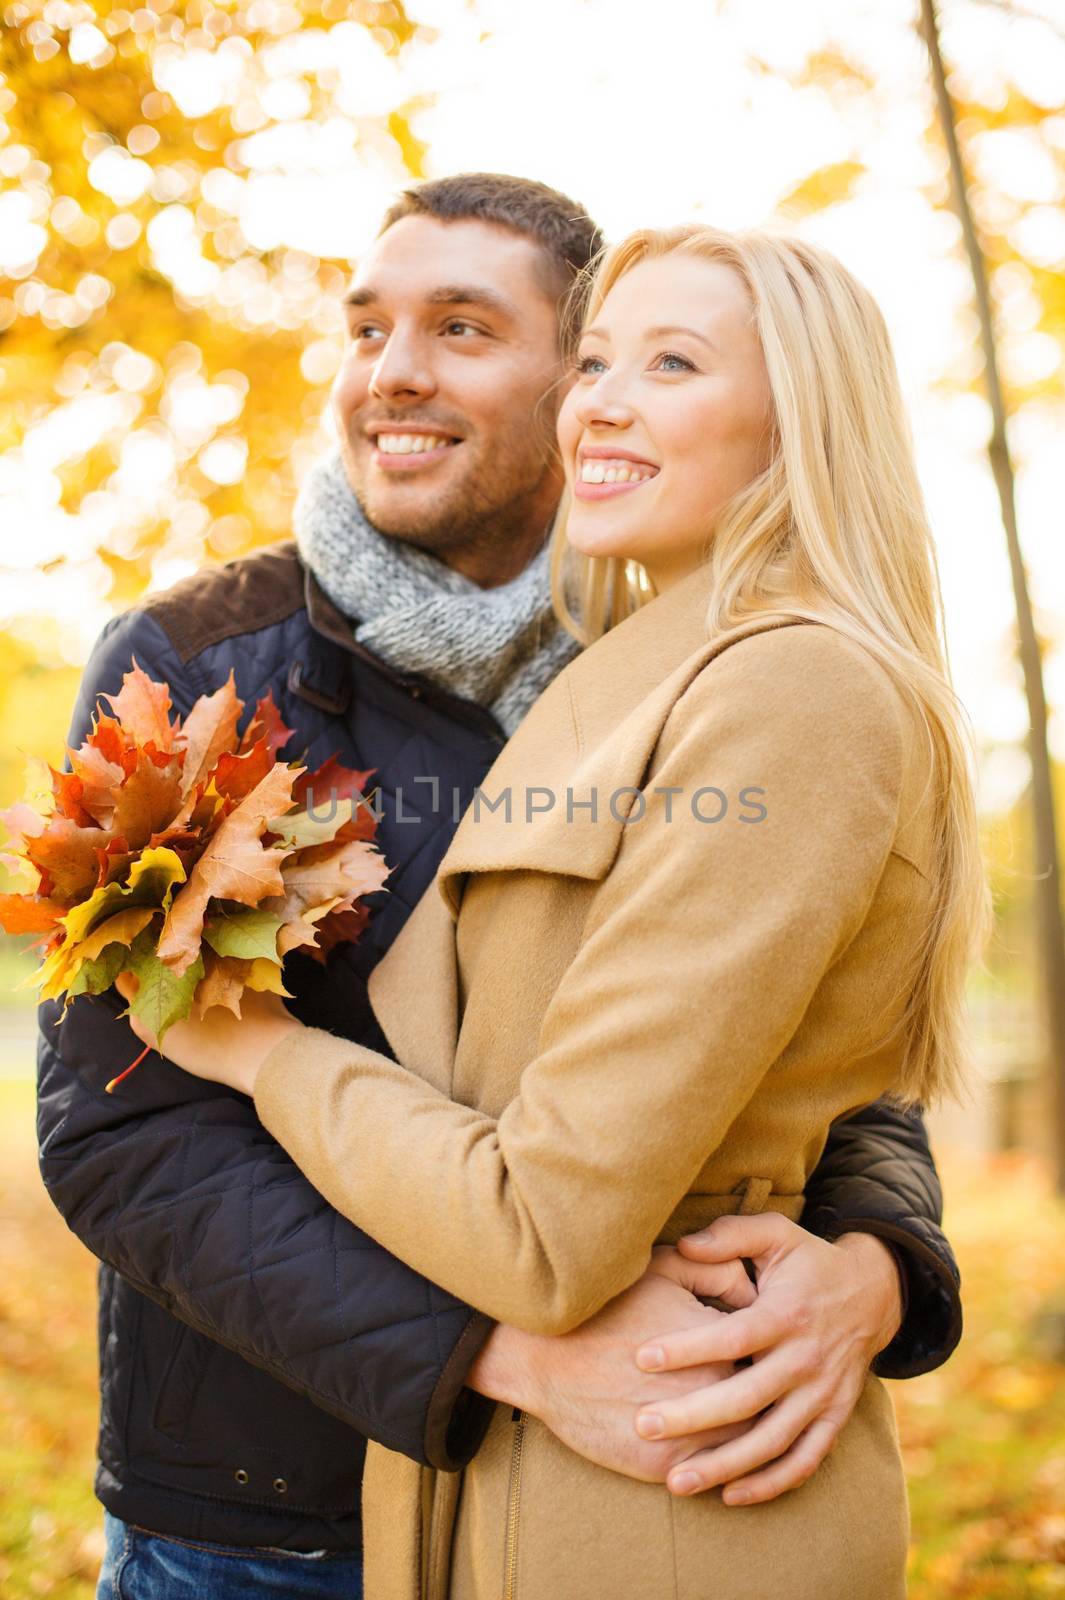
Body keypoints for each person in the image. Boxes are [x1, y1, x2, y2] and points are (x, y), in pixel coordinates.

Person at [38, 179, 965, 1600]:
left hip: (599, 1494)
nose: (393, 371)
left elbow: (811, 1051)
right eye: (367, 329)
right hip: (257, 1508)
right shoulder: (202, 657)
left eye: (464, 328)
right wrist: (501, 1356)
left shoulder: (697, 667)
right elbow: (126, 1134)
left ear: (554, 381)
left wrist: (874, 1257)